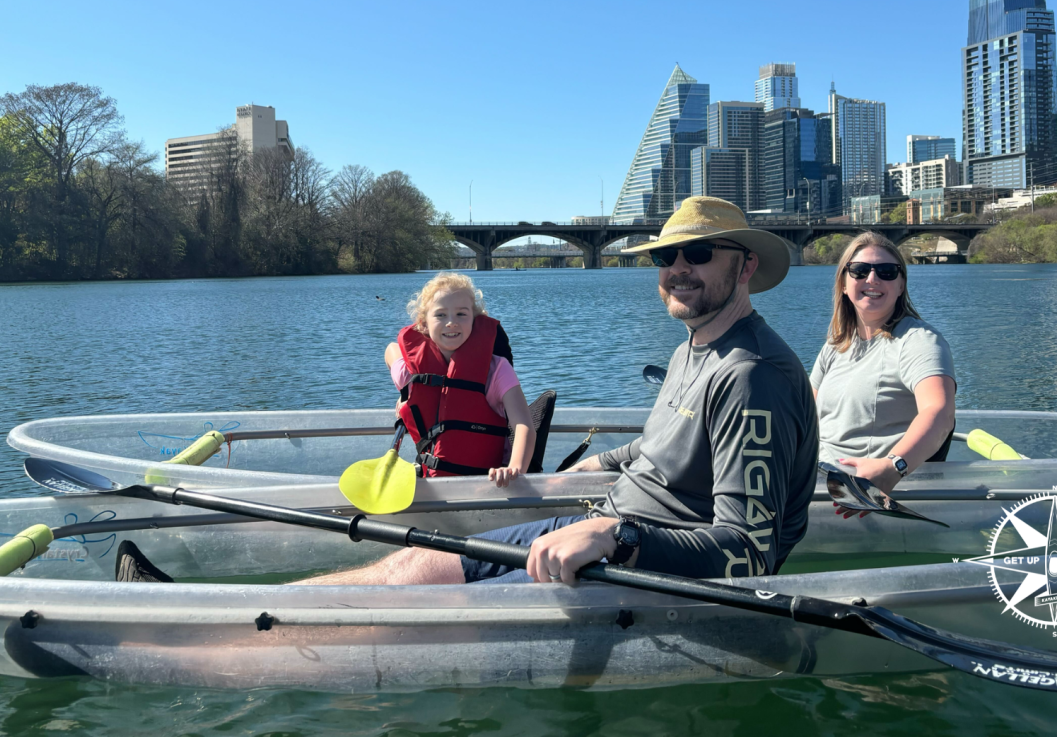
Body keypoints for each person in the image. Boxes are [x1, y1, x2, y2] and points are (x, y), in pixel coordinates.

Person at [277, 196, 817, 588]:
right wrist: (594, 464)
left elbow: (750, 554)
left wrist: (619, 538)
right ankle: (245, 611)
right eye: (664, 257)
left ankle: (238, 648)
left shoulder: (754, 376)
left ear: (745, 266)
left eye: (697, 253)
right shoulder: (692, 348)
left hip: (635, 568)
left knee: (409, 615)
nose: (678, 269)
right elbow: (663, 448)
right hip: (600, 527)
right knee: (410, 569)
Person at [812, 231, 956, 495]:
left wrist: (893, 466)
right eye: (859, 270)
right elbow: (804, 416)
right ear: (843, 283)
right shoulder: (835, 345)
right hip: (818, 487)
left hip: (871, 497)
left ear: (901, 285)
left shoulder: (919, 341)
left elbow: (939, 412)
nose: (872, 279)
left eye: (887, 271)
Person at [387, 272, 535, 487]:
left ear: (475, 321)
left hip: (491, 483)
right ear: (424, 325)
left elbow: (524, 425)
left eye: (461, 314)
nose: (451, 323)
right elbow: (391, 350)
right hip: (435, 487)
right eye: (440, 315)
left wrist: (514, 469)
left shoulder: (497, 370)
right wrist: (404, 394)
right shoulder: (410, 374)